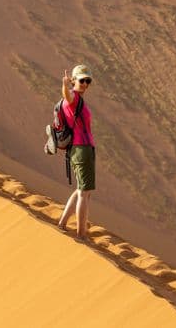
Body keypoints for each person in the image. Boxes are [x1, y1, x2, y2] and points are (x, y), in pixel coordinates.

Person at [57, 64, 96, 240]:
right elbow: (68, 95)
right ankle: (81, 234)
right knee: (84, 193)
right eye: (82, 80)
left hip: (78, 149)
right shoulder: (73, 99)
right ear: (74, 80)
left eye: (88, 81)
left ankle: (63, 222)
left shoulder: (76, 100)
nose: (86, 84)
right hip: (82, 149)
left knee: (81, 189)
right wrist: (65, 86)